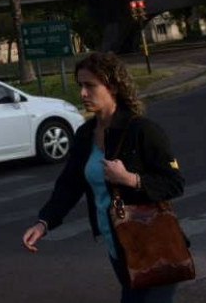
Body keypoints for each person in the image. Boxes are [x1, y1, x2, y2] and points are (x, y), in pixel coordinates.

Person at [21, 52, 185, 303]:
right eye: (80, 86)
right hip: (118, 245)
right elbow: (69, 184)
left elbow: (174, 182)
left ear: (114, 87)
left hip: (152, 244)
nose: (83, 94)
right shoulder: (86, 133)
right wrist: (44, 223)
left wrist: (131, 179)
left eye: (90, 85)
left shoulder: (142, 130)